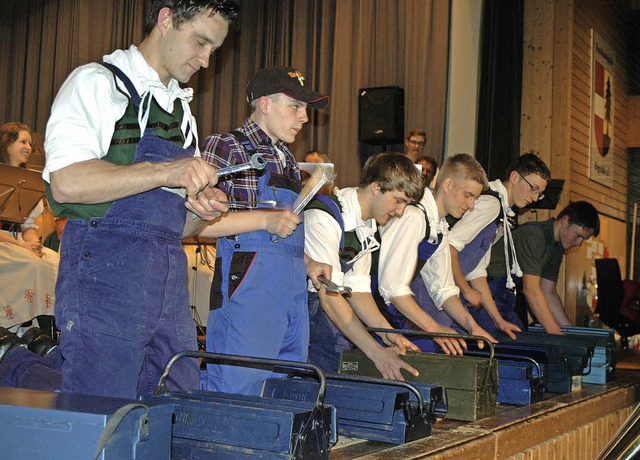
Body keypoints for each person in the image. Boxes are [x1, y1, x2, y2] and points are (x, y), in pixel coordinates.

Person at [42, 0, 239, 399]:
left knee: (176, 399)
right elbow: (65, 183)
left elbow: (171, 226)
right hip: (104, 274)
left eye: (213, 51)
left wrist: (202, 214)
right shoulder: (97, 83)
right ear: (166, 19)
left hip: (166, 274)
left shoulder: (183, 114)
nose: (204, 61)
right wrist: (168, 172)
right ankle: (19, 369)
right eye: (200, 42)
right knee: (100, 404)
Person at [200, 66, 331, 395]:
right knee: (237, 390)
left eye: (305, 109)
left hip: (291, 297)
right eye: (296, 107)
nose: (304, 118)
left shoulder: (286, 157)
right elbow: (199, 225)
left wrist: (307, 262)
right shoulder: (227, 147)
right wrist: (263, 219)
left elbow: (281, 232)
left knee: (285, 391)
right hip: (248, 294)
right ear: (265, 104)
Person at [304, 152, 425, 379]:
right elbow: (329, 298)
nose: (400, 212)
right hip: (298, 314)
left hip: (323, 313)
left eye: (406, 205)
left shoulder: (367, 224)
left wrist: (386, 332)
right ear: (376, 187)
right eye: (398, 201)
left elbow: (358, 291)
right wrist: (376, 352)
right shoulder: (323, 216)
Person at [376, 153, 496, 352]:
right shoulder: (413, 216)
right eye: (468, 195)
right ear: (448, 185)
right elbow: (393, 288)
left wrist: (472, 327)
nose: (471, 205)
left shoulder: (438, 227)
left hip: (392, 314)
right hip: (373, 314)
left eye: (475, 198)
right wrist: (435, 328)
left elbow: (443, 289)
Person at [449, 153, 551, 339]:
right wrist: (466, 289)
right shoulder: (491, 204)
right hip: (441, 288)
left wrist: (497, 319)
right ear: (514, 177)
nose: (535, 198)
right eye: (533, 189)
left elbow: (476, 268)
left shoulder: (500, 210)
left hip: (453, 286)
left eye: (539, 193)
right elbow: (448, 246)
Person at [486, 201, 600, 334]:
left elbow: (548, 291)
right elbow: (531, 290)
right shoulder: (534, 235)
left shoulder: (557, 247)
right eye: (579, 235)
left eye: (583, 239)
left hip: (504, 296)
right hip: (487, 291)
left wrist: (571, 331)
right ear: (565, 220)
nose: (579, 243)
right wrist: (556, 333)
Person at [0, 122, 45, 257]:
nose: (29, 147)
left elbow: (27, 227)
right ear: (7, 145)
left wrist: (35, 244)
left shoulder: (31, 180)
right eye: (23, 142)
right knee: (33, 265)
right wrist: (21, 246)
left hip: (17, 243)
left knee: (53, 263)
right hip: (5, 243)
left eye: (30, 143)